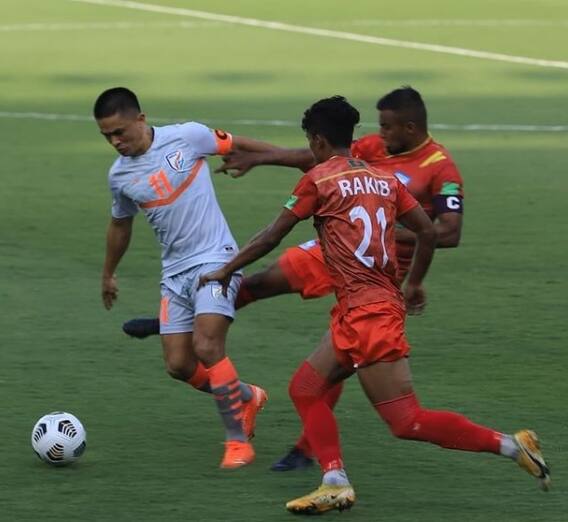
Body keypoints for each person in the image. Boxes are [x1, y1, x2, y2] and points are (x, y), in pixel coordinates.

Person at [198, 96, 550, 513]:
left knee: (406, 420)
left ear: (317, 140)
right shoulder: (385, 179)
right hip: (367, 305)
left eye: (310, 142)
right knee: (305, 388)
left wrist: (226, 270)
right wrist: (414, 282)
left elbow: (271, 235)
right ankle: (334, 480)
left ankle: (511, 446)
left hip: (368, 314)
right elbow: (428, 231)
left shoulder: (320, 179)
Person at [122, 87, 466, 470]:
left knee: (342, 352)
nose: (380, 134)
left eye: (388, 127)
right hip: (331, 247)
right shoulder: (371, 146)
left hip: (375, 270)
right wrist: (260, 158)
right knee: (260, 282)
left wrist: (376, 229)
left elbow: (448, 232)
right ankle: (183, 320)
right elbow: (318, 159)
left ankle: (308, 449)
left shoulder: (440, 167)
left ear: (411, 127)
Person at [95, 87, 272, 469]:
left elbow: (237, 144)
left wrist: (299, 160)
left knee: (207, 345)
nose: (115, 142)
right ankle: (247, 396)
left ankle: (237, 441)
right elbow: (120, 225)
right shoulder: (120, 176)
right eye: (107, 136)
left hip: (217, 258)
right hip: (174, 272)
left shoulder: (187, 137)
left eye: (120, 132)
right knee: (178, 364)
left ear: (141, 119)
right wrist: (108, 273)